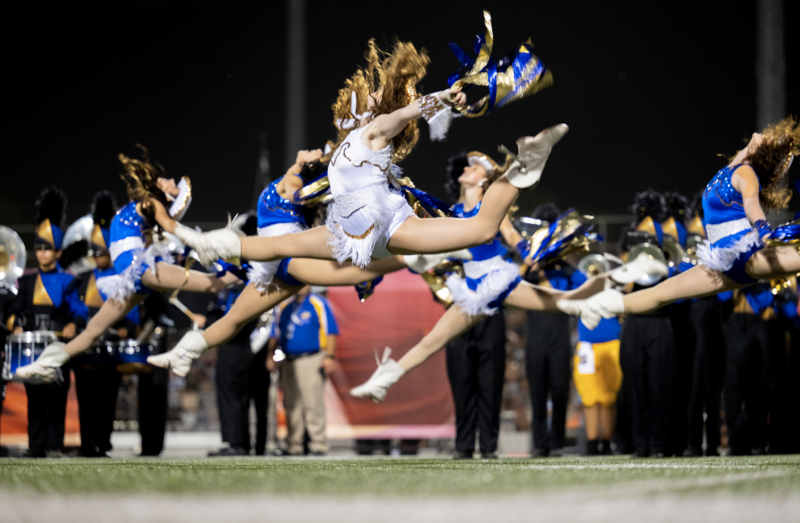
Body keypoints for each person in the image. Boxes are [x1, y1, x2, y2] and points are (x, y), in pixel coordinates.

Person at [172, 40, 570, 274]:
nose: (375, 95)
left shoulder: (374, 130)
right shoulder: (345, 144)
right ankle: (211, 244)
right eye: (372, 96)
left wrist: (441, 100)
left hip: (387, 224)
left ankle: (526, 164)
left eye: (377, 96)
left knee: (483, 230)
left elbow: (401, 114)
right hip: (350, 230)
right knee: (280, 246)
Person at [350, 152, 666, 403]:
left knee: (566, 302)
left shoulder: (491, 208)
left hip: (498, 278)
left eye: (476, 166)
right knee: (435, 339)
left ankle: (629, 272)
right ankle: (383, 380)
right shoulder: (451, 210)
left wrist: (531, 248)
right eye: (469, 165)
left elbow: (513, 236)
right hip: (471, 288)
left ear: (486, 179)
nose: (468, 167)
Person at [14, 146, 239, 382]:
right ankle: (47, 363)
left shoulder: (154, 202)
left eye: (174, 185)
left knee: (211, 284)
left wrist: (203, 242)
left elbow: (173, 228)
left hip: (141, 269)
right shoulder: (146, 207)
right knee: (93, 330)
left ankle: (247, 265)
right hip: (129, 278)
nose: (171, 179)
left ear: (169, 196)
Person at [558, 117, 800, 326]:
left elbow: (751, 205)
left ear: (764, 153)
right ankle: (597, 307)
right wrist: (757, 146)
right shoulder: (735, 167)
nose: (762, 134)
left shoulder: (747, 174)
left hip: (746, 256)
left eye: (767, 138)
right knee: (663, 292)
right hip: (722, 260)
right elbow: (748, 150)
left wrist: (764, 230)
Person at [10, 187, 87, 457]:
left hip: (57, 349)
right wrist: (14, 323)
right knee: (34, 399)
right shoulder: (27, 281)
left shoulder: (68, 280)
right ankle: (36, 445)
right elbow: (16, 310)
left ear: (57, 251)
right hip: (31, 349)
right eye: (38, 248)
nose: (42, 253)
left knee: (56, 396)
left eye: (48, 249)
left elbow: (80, 310)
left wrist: (73, 325)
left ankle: (54, 444)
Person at [71, 191, 140, 457]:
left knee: (106, 398)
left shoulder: (122, 275)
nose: (98, 256)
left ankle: (103, 442)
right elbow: (77, 305)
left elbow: (132, 308)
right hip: (87, 348)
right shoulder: (85, 279)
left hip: (111, 351)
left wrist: (127, 328)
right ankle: (88, 443)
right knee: (86, 398)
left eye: (102, 251)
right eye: (94, 252)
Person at [523, 203, 586, 458]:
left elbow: (583, 283)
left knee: (560, 389)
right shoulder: (530, 265)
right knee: (537, 390)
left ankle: (556, 442)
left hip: (559, 331)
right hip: (535, 331)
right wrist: (533, 265)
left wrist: (563, 260)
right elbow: (519, 285)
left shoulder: (564, 268)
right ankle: (540, 443)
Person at [267, 286, 339, 456]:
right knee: (291, 404)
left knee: (312, 402)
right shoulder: (285, 306)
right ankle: (294, 445)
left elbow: (331, 331)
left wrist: (329, 356)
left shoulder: (319, 303)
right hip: (288, 359)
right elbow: (275, 333)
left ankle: (318, 444)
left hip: (311, 359)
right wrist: (270, 355)